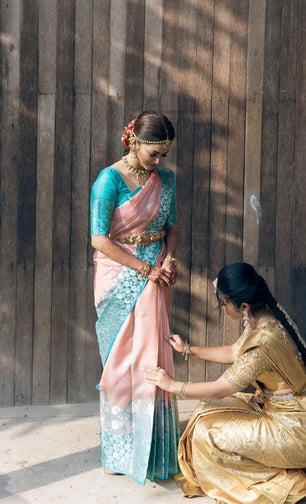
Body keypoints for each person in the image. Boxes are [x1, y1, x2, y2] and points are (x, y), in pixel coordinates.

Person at [145, 262, 306, 504]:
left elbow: (221, 388)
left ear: (243, 306)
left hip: (295, 431)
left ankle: (292, 483)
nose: (222, 308)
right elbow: (233, 351)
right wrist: (188, 349)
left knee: (206, 434)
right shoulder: (262, 318)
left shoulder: (262, 345)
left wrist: (173, 386)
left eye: (223, 304)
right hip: (283, 411)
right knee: (204, 412)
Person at [90, 111, 179, 484]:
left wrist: (170, 258)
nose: (158, 162)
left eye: (163, 155)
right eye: (153, 154)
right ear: (134, 141)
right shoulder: (108, 180)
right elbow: (99, 239)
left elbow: (171, 228)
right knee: (118, 361)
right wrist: (145, 270)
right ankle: (121, 450)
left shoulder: (166, 179)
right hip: (119, 276)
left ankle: (154, 449)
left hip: (156, 274)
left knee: (152, 354)